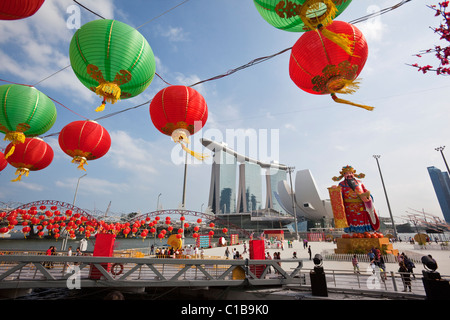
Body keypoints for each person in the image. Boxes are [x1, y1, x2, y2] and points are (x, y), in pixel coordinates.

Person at [331, 166, 380, 233]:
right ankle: (352, 232)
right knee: (351, 222)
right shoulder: (341, 184)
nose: (349, 175)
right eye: (346, 173)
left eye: (351, 173)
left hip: (362, 207)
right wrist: (335, 190)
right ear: (343, 175)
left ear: (353, 174)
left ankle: (368, 231)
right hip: (349, 208)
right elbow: (339, 197)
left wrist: (368, 198)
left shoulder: (360, 183)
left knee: (365, 219)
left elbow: (366, 192)